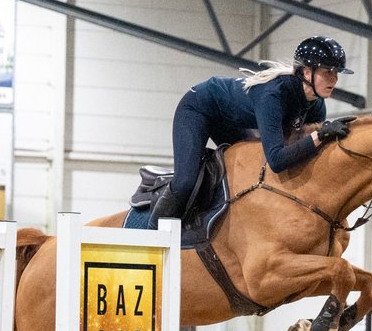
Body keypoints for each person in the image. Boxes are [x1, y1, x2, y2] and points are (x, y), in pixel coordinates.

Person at [150, 36, 357, 226]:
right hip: (198, 108)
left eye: (336, 72)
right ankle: (149, 236)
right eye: (328, 71)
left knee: (250, 169)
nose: (335, 79)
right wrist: (320, 135)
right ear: (306, 72)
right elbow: (277, 160)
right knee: (185, 182)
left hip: (230, 121)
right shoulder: (273, 95)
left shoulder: (316, 105)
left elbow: (301, 151)